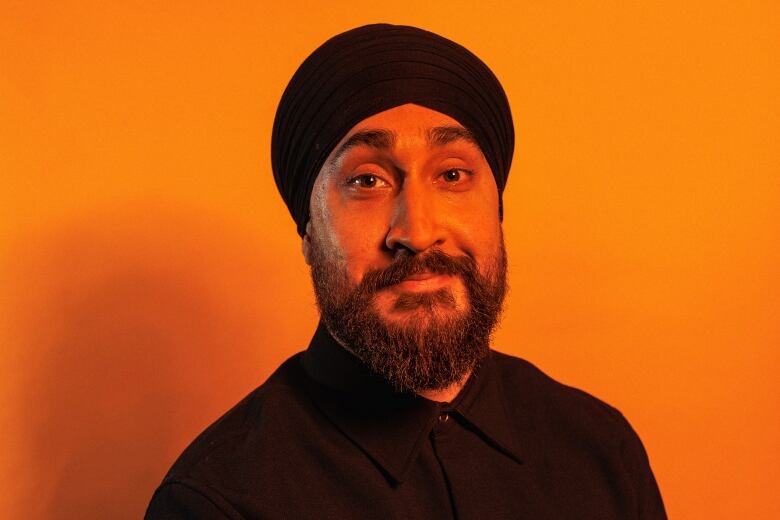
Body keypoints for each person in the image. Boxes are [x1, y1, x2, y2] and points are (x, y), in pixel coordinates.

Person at [145, 23, 666, 519]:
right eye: (367, 181)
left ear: (497, 209)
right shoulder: (219, 503)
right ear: (308, 232)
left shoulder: (600, 449)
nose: (416, 232)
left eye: (453, 174)